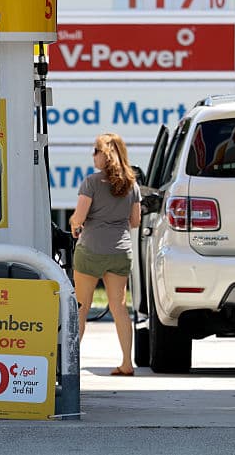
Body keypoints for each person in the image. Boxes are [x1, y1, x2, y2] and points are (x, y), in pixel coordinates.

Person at [69, 132, 142, 376]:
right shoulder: (132, 185)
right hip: (120, 252)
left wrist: (74, 223)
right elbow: (135, 221)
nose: (93, 156)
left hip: (90, 250)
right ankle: (127, 363)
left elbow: (79, 218)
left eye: (96, 151)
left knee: (81, 307)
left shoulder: (91, 182)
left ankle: (70, 365)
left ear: (105, 155)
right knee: (119, 308)